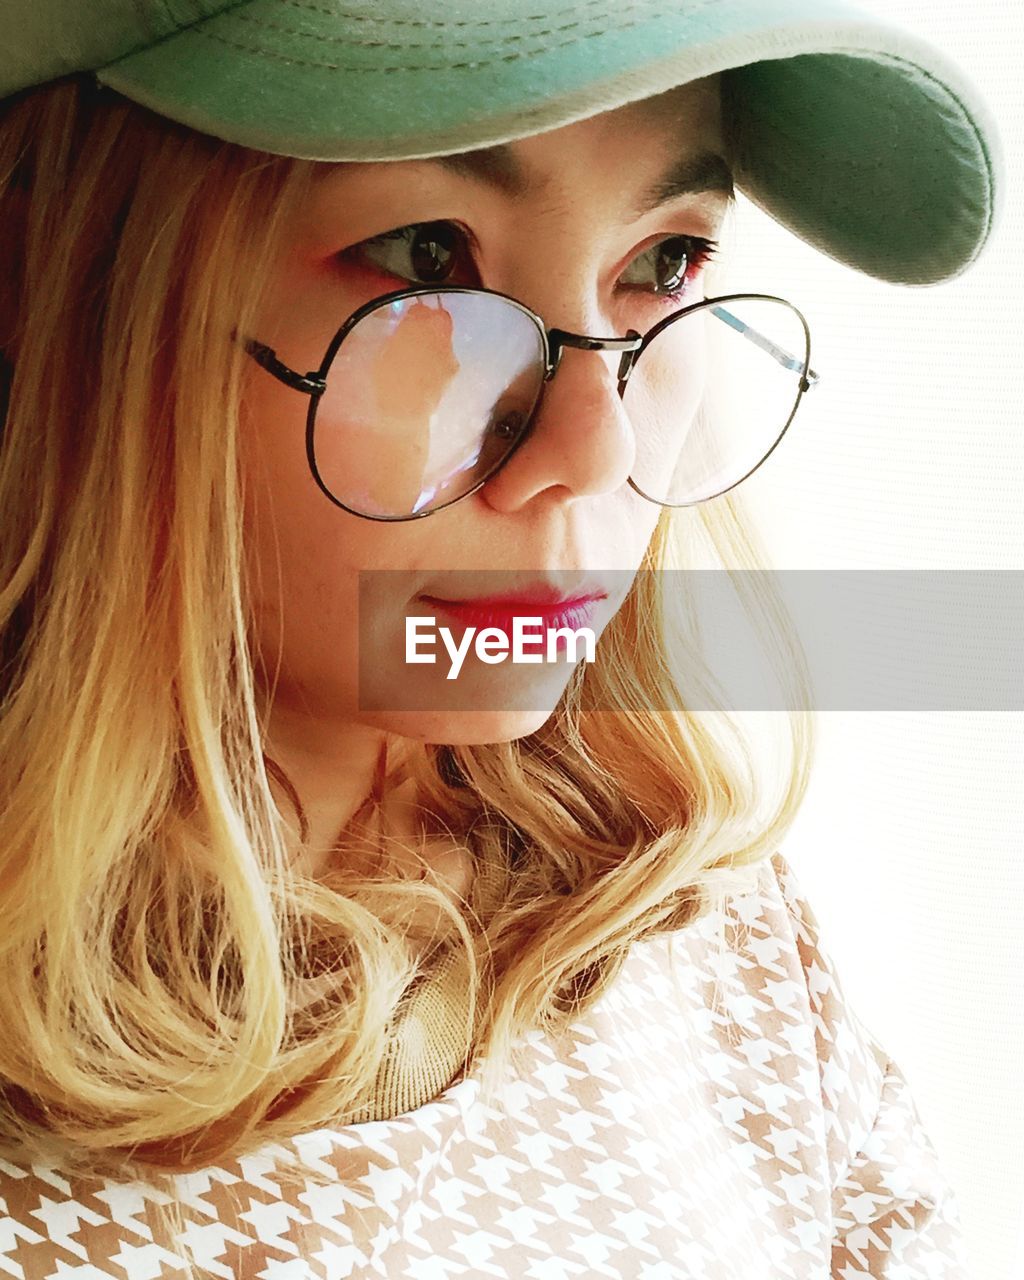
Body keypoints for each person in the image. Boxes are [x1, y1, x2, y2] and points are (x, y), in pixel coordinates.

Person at [0, 1, 1003, 1276]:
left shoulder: (711, 945)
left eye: (665, 263)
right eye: (427, 257)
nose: (596, 447)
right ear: (42, 254)